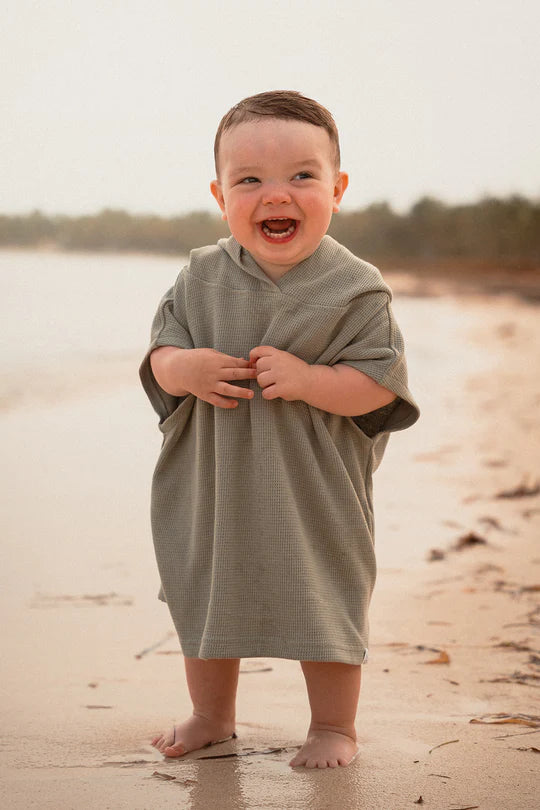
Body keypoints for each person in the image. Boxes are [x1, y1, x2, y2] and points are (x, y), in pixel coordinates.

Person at [140, 90, 419, 769]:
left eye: (301, 176)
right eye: (250, 179)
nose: (277, 195)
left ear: (337, 187)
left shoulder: (356, 290)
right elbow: (159, 356)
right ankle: (211, 715)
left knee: (326, 597)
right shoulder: (200, 277)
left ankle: (333, 726)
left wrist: (310, 381)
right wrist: (188, 369)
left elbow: (379, 387)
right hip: (214, 483)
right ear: (219, 193)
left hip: (313, 488)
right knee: (205, 589)